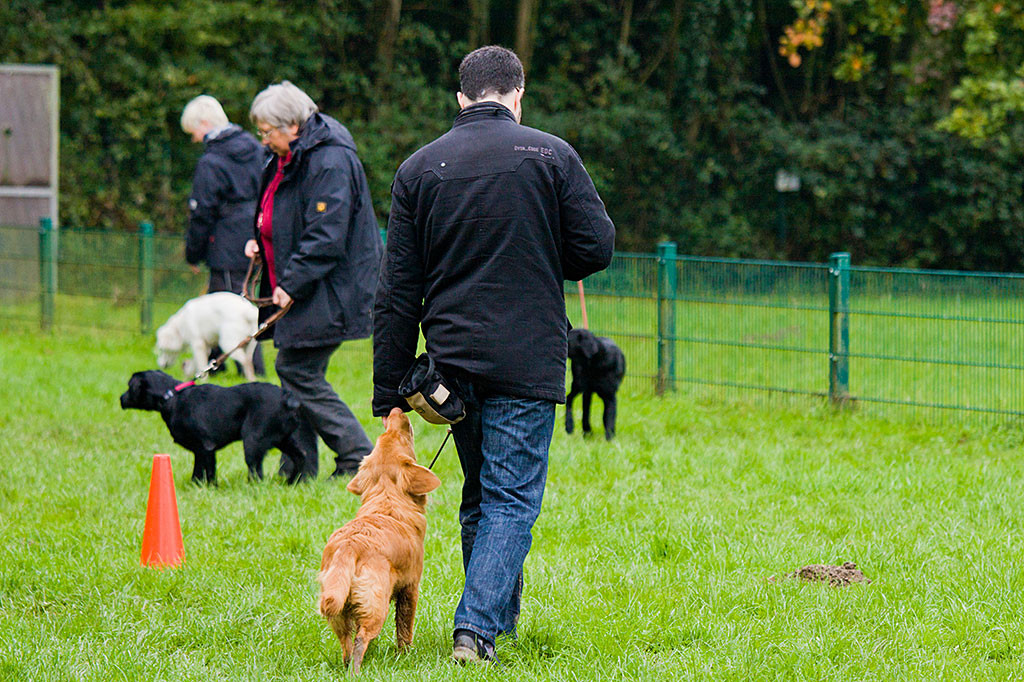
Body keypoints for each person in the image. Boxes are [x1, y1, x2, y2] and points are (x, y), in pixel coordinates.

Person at [372, 46, 615, 663]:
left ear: (461, 98)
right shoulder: (550, 155)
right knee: (511, 499)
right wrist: (541, 242)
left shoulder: (419, 169)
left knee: (481, 495)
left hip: (451, 362)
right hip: (527, 358)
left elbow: (397, 290)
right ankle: (475, 632)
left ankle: (494, 621)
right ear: (517, 95)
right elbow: (596, 247)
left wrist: (389, 390)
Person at [245, 81, 380, 479]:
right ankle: (298, 466)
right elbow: (281, 208)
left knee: (297, 369)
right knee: (294, 368)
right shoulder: (292, 155)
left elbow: (326, 232)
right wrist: (259, 237)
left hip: (329, 287)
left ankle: (356, 454)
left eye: (268, 132)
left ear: (292, 126)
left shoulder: (329, 159)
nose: (264, 140)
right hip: (306, 283)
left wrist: (292, 282)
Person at [180, 94, 266, 376]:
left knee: (226, 304)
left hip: (226, 245)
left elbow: (202, 213)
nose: (194, 139)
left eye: (194, 131)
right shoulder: (256, 148)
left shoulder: (212, 161)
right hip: (256, 237)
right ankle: (218, 366)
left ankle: (244, 369)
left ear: (205, 123)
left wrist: (193, 253)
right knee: (247, 302)